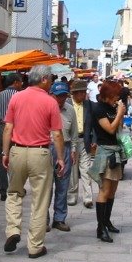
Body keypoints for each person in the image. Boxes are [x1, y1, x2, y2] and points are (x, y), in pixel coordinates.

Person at [2, 65, 65, 259]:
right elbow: (56, 134)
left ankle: (13, 230)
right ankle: (35, 246)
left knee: (13, 193)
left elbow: (8, 128)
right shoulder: (50, 102)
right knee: (40, 200)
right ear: (44, 79)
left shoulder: (16, 97)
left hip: (17, 151)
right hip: (40, 153)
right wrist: (61, 158)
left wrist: (5, 152)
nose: (52, 82)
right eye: (51, 79)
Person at [88, 80, 126, 243]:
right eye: (115, 95)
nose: (117, 98)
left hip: (116, 151)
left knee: (113, 190)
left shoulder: (113, 107)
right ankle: (100, 228)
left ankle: (107, 221)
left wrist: (120, 114)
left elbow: (118, 128)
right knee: (104, 190)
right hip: (105, 152)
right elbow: (109, 129)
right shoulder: (99, 109)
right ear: (108, 95)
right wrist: (119, 114)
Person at [47, 82, 77, 232]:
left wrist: (73, 150)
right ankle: (43, 219)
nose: (61, 99)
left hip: (65, 148)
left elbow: (74, 133)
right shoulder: (45, 107)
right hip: (47, 148)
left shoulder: (70, 110)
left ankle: (59, 218)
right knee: (46, 186)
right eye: (59, 96)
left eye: (64, 95)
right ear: (51, 95)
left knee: (63, 186)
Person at [0, 73, 23, 201]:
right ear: (15, 82)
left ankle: (3, 190)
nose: (22, 84)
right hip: (17, 130)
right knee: (17, 160)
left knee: (2, 160)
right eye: (20, 82)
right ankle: (16, 188)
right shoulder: (20, 96)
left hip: (1, 129)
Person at [67, 79, 96, 208]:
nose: (84, 95)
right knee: (73, 171)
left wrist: (94, 140)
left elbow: (95, 124)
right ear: (75, 93)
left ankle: (88, 198)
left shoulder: (89, 105)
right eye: (82, 93)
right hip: (71, 142)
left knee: (86, 170)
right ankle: (72, 196)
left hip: (85, 140)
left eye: (85, 92)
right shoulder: (67, 105)